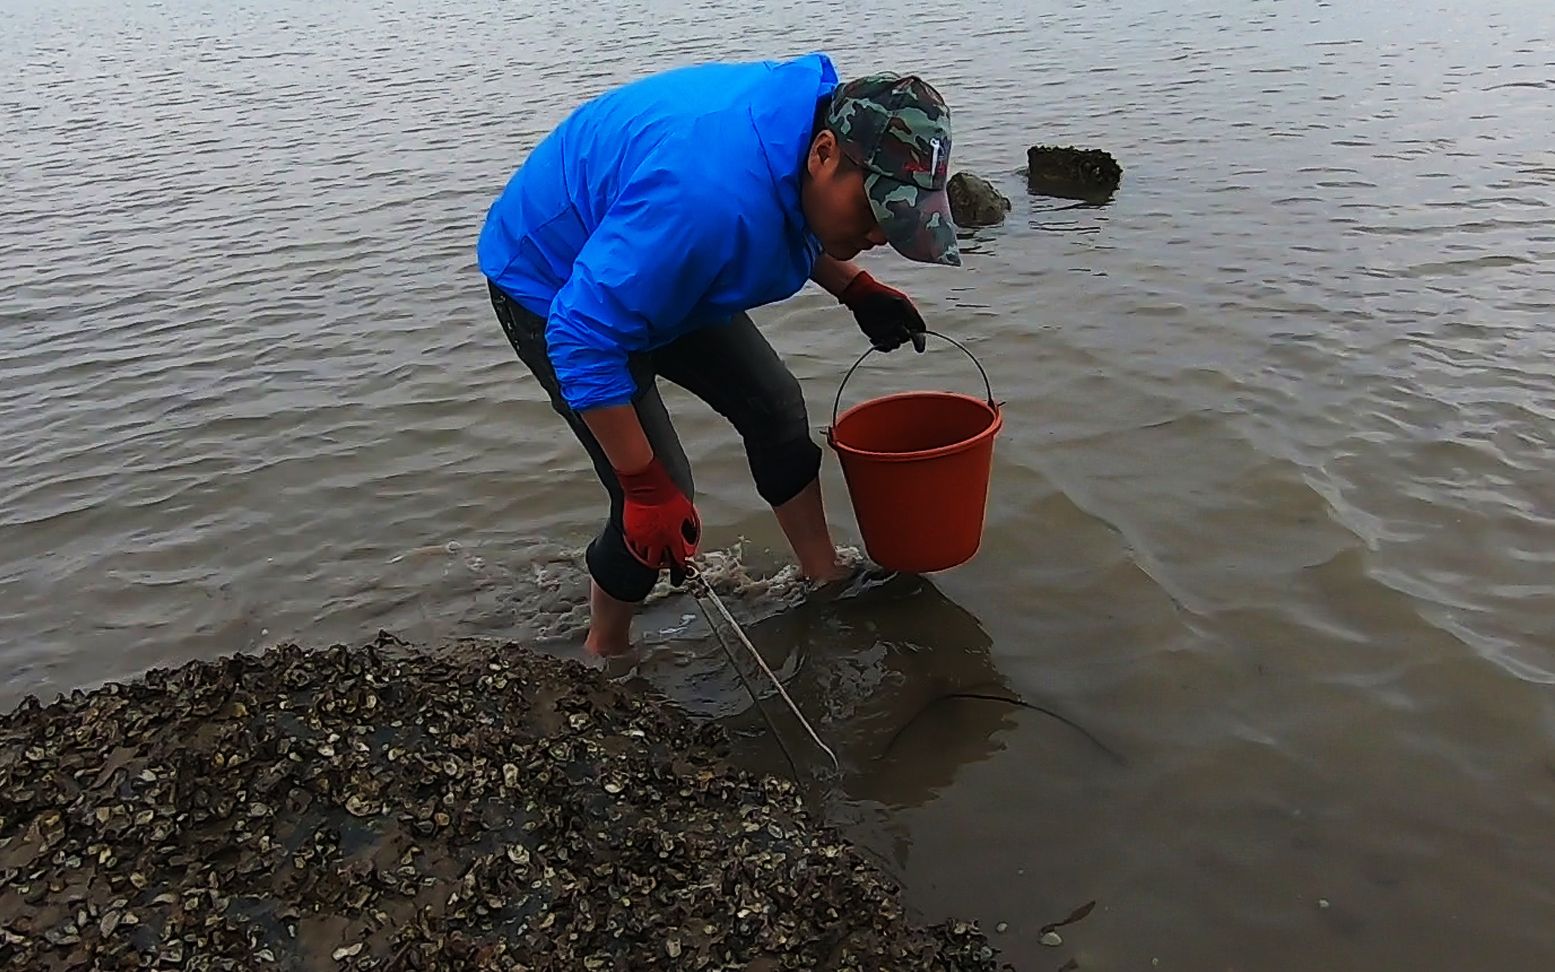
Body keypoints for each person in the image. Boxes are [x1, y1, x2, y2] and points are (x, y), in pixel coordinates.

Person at [476, 52, 959, 657]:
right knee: (658, 490)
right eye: (874, 212)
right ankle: (606, 651)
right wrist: (644, 486)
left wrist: (855, 288)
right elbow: (581, 332)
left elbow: (786, 211)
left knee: (775, 403)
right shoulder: (704, 198)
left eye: (899, 218)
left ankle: (823, 574)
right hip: (553, 283)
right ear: (825, 154)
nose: (882, 235)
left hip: (643, 255)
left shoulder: (815, 130)